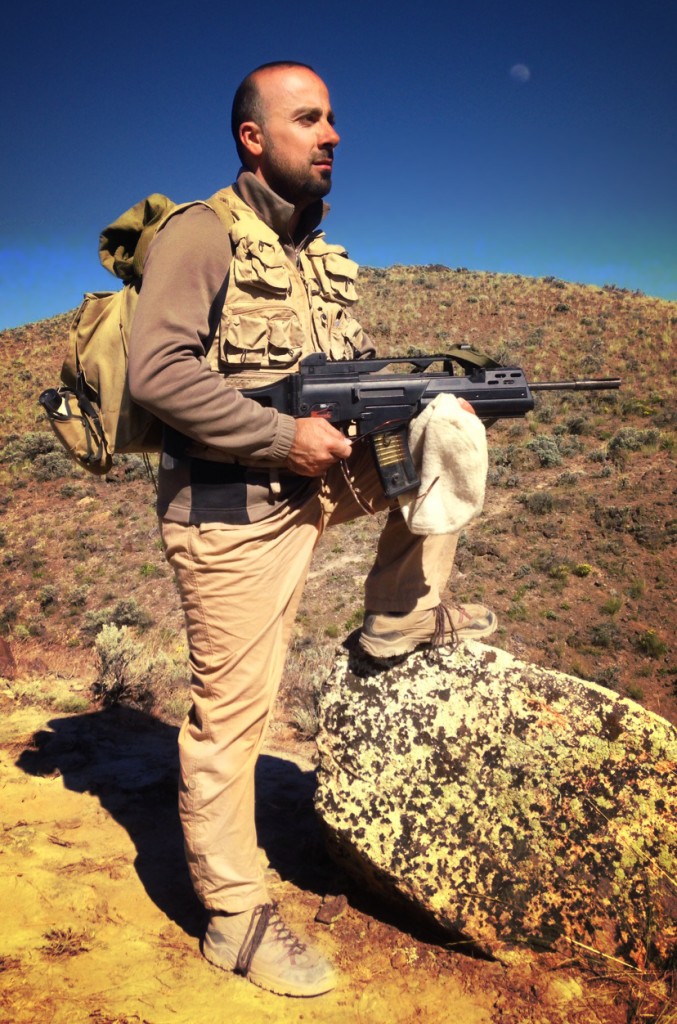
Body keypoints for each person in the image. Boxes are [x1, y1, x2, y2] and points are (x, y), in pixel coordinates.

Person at [128, 60, 497, 999]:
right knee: (233, 716)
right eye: (307, 118)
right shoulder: (201, 233)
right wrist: (279, 439)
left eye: (331, 118)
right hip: (233, 511)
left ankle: (398, 621)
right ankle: (235, 918)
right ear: (253, 137)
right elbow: (158, 374)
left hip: (318, 479)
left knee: (440, 428)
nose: (331, 134)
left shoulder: (315, 252)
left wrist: (415, 399)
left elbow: (342, 379)